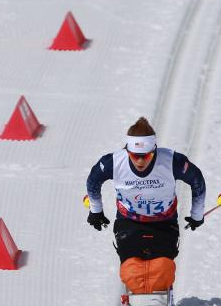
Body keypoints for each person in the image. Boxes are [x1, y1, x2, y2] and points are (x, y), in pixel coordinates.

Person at [85, 117, 206, 292]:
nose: (140, 161)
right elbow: (93, 181)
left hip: (164, 223)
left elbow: (197, 180)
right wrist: (96, 211)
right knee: (131, 268)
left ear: (154, 151)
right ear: (127, 151)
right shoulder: (113, 162)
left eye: (146, 156)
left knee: (163, 268)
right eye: (135, 156)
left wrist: (197, 215)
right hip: (129, 222)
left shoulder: (172, 161)